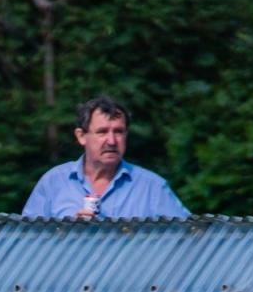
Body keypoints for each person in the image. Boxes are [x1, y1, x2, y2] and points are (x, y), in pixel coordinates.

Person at [20, 95, 189, 221]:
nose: (112, 141)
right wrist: (66, 234)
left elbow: (192, 237)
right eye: (102, 132)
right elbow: (26, 242)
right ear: (81, 136)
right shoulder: (53, 182)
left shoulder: (152, 187)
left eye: (118, 131)